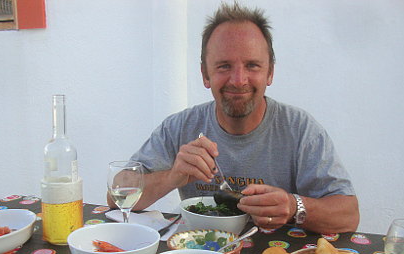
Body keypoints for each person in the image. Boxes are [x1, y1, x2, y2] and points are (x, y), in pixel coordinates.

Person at [109, 2, 359, 234]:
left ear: (270, 72)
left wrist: (294, 207)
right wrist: (173, 176)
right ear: (205, 75)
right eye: (224, 66)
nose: (239, 80)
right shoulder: (179, 127)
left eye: (252, 65)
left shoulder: (301, 130)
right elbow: (116, 196)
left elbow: (348, 215)